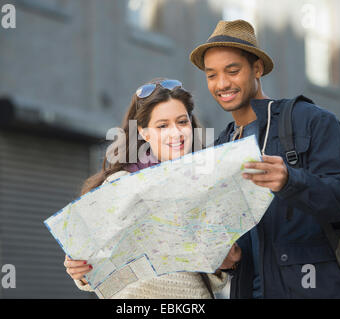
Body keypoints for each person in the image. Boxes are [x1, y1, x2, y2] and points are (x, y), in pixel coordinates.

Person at [189, 19, 340, 298]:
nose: (222, 83)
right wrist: (225, 257)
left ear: (257, 68)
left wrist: (291, 181)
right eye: (212, 75)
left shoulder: (310, 120)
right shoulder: (220, 147)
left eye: (232, 71)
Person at [63, 79, 228, 299]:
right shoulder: (119, 185)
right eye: (162, 125)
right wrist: (80, 269)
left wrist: (225, 262)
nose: (176, 133)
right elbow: (93, 268)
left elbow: (213, 275)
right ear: (144, 132)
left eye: (182, 121)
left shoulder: (205, 185)